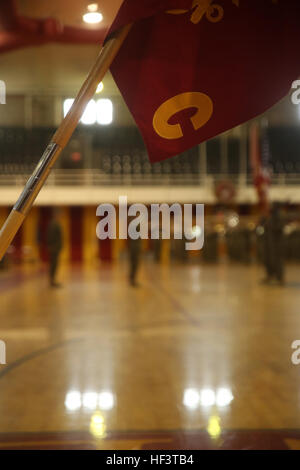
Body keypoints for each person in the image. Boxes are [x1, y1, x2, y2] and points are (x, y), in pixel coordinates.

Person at [262, 203, 285, 285]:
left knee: (277, 261)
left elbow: (279, 227)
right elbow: (263, 226)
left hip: (276, 243)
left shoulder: (279, 215)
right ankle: (270, 276)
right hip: (269, 242)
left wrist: (270, 225)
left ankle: (280, 278)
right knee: (268, 260)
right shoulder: (269, 216)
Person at [47, 209, 63, 288]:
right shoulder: (53, 224)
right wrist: (52, 246)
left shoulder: (56, 223)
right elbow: (51, 236)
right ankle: (52, 281)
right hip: (54, 248)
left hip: (56, 248)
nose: (60, 216)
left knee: (55, 264)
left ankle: (53, 280)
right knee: (53, 264)